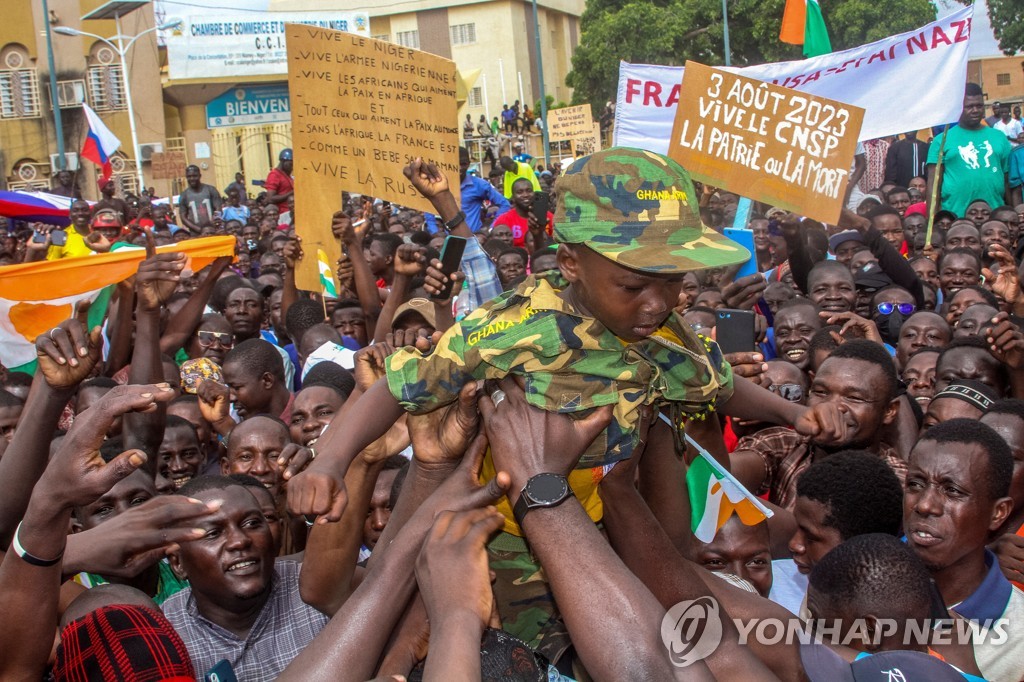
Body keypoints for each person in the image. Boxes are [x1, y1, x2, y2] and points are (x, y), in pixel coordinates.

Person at [163, 476, 328, 678]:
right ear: (178, 563)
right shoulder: (163, 635)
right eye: (213, 533)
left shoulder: (316, 587)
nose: (240, 541)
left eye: (252, 523)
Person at [903, 419, 1024, 681]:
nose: (925, 505)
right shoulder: (848, 582)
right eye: (915, 483)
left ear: (998, 513)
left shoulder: (1020, 637)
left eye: (952, 491)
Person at [731, 340, 907, 509]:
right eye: (821, 392)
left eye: (853, 398)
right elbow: (718, 478)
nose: (832, 406)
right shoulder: (785, 443)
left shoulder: (898, 480)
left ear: (889, 411)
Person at [927, 83, 1012, 219]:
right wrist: (932, 221)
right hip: (955, 219)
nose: (975, 110)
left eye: (979, 106)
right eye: (969, 106)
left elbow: (1008, 180)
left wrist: (1010, 214)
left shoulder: (999, 137)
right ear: (959, 108)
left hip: (995, 220)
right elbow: (933, 185)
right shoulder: (941, 140)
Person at [491, 177, 551, 248]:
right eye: (520, 192)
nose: (525, 195)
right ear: (513, 197)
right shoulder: (503, 220)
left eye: (529, 191)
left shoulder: (548, 217)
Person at [178, 165, 222, 234]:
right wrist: (199, 229)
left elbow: (218, 209)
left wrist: (214, 225)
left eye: (195, 176)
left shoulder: (211, 190)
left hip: (213, 231)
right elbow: (183, 217)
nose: (192, 178)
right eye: (189, 176)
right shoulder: (184, 195)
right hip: (195, 233)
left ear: (200, 176)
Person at [264, 149, 294, 218]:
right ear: (283, 161)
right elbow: (270, 198)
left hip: (291, 211)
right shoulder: (274, 175)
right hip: (283, 213)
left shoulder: (286, 175)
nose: (292, 167)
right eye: (290, 164)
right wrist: (292, 192)